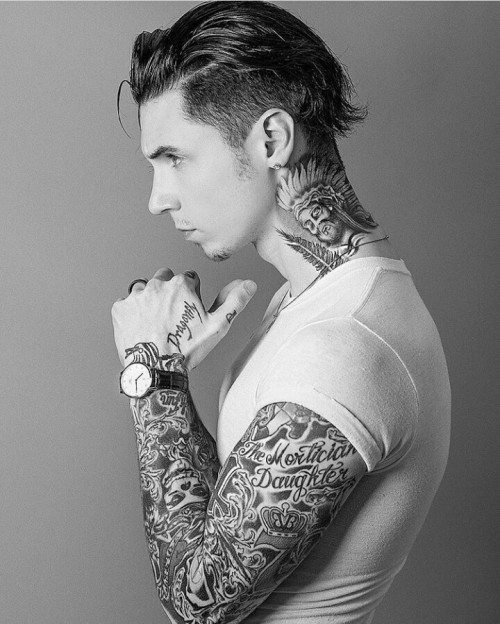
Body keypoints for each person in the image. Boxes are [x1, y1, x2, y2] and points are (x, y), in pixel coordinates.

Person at [111, 2, 451, 622]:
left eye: (174, 157)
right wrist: (169, 377)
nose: (158, 199)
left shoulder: (343, 346)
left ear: (271, 139)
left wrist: (151, 374)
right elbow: (222, 522)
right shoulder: (319, 300)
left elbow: (199, 601)